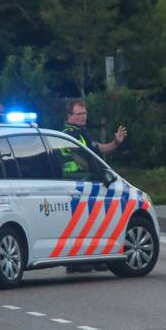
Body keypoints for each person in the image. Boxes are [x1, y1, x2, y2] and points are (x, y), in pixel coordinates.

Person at [63, 99, 127, 274]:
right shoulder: (69, 134)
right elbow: (77, 158)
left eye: (85, 113)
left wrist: (115, 143)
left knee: (94, 221)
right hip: (74, 184)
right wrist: (98, 172)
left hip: (88, 183)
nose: (83, 117)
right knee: (80, 223)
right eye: (79, 114)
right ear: (69, 116)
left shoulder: (83, 133)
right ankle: (76, 262)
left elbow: (98, 149)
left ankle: (95, 257)